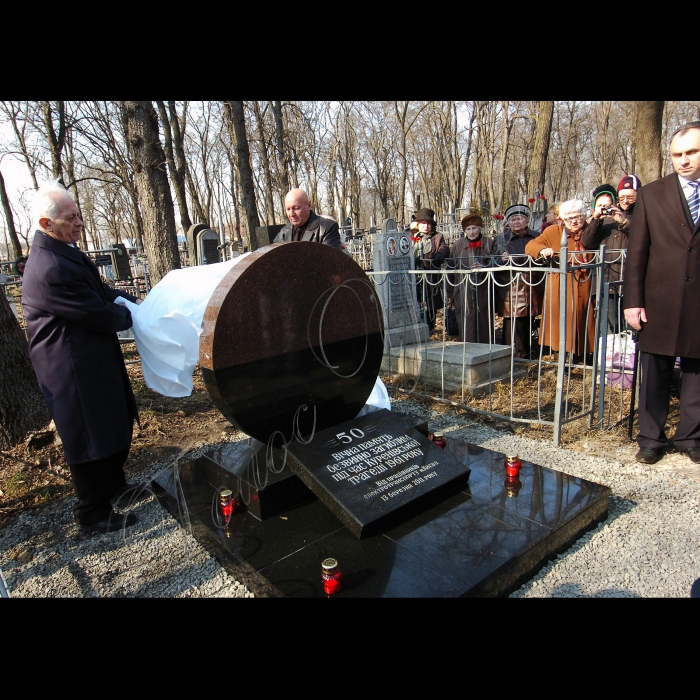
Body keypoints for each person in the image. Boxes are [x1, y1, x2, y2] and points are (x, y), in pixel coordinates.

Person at [21, 182, 143, 534]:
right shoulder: (50, 267)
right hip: (70, 369)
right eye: (71, 218)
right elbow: (97, 313)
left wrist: (128, 300)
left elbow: (100, 292)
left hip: (90, 359)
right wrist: (132, 316)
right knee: (89, 437)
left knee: (110, 424)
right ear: (47, 224)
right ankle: (93, 512)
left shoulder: (63, 252)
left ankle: (115, 488)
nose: (80, 224)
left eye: (79, 216)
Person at [623, 122, 700, 465]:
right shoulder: (653, 194)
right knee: (655, 370)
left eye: (692, 152)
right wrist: (633, 302)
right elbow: (637, 253)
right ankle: (651, 437)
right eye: (677, 155)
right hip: (659, 298)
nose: (683, 161)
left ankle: (691, 436)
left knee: (697, 371)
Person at [525, 199, 596, 363]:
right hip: (559, 285)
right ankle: (560, 360)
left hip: (584, 284)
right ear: (562, 219)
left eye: (578, 216)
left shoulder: (590, 231)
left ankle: (582, 360)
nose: (574, 221)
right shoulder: (553, 231)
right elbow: (531, 245)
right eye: (569, 218)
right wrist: (543, 250)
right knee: (560, 322)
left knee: (582, 319)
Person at [494, 204, 544, 358]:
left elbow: (541, 258)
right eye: (512, 219)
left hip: (533, 284)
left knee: (530, 320)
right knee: (513, 324)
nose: (516, 222)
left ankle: (528, 352)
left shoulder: (537, 237)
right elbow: (494, 261)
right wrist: (502, 260)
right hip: (512, 287)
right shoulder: (501, 239)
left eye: (520, 218)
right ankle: (514, 354)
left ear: (526, 220)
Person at [581, 183, 631, 333]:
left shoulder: (624, 219)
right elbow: (587, 242)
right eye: (601, 205)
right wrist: (596, 219)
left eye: (608, 205)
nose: (605, 209)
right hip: (604, 283)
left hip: (626, 281)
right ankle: (608, 357)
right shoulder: (594, 223)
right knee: (608, 330)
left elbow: (639, 238)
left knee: (628, 329)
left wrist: (622, 222)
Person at [448, 214, 498, 343]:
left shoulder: (488, 243)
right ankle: (468, 350)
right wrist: (450, 293)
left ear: (480, 228)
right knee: (466, 322)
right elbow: (450, 269)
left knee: (484, 321)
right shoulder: (458, 245)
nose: (472, 232)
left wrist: (484, 267)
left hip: (484, 290)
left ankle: (487, 350)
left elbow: (497, 262)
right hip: (463, 290)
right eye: (468, 229)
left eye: (474, 228)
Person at [413, 207, 450, 332]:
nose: (426, 226)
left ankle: (430, 327)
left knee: (430, 302)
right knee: (416, 300)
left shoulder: (437, 237)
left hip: (431, 275)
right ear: (418, 224)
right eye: (423, 223)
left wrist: (439, 255)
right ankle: (416, 326)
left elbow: (444, 248)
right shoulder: (412, 236)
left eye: (428, 223)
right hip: (415, 275)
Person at [273, 188, 342, 249]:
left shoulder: (327, 228)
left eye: (296, 208)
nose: (291, 214)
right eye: (288, 209)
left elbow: (331, 261)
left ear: (309, 205)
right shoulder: (284, 232)